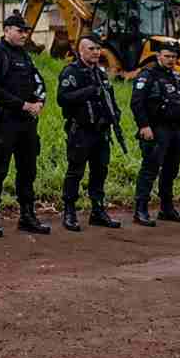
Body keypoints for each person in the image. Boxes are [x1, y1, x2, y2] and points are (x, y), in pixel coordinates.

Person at [0, 13, 49, 237]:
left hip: (27, 125)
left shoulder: (25, 56)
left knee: (28, 171)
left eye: (26, 31)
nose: (24, 34)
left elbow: (39, 82)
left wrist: (39, 101)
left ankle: (27, 216)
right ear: (7, 30)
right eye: (20, 30)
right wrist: (22, 105)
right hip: (5, 122)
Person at [57, 34, 123, 231]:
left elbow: (110, 98)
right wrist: (90, 91)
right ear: (81, 51)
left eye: (98, 49)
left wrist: (115, 116)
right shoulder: (72, 72)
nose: (96, 52)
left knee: (100, 171)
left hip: (101, 131)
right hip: (81, 131)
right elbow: (63, 98)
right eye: (91, 49)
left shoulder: (101, 73)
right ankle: (69, 212)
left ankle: (98, 211)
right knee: (75, 172)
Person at [131, 41, 180, 227]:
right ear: (159, 55)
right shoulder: (148, 76)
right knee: (150, 169)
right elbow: (137, 102)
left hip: (176, 128)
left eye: (174, 57)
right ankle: (141, 210)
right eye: (167, 56)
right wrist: (144, 126)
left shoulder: (177, 77)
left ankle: (166, 208)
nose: (171, 60)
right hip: (156, 128)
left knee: (171, 170)